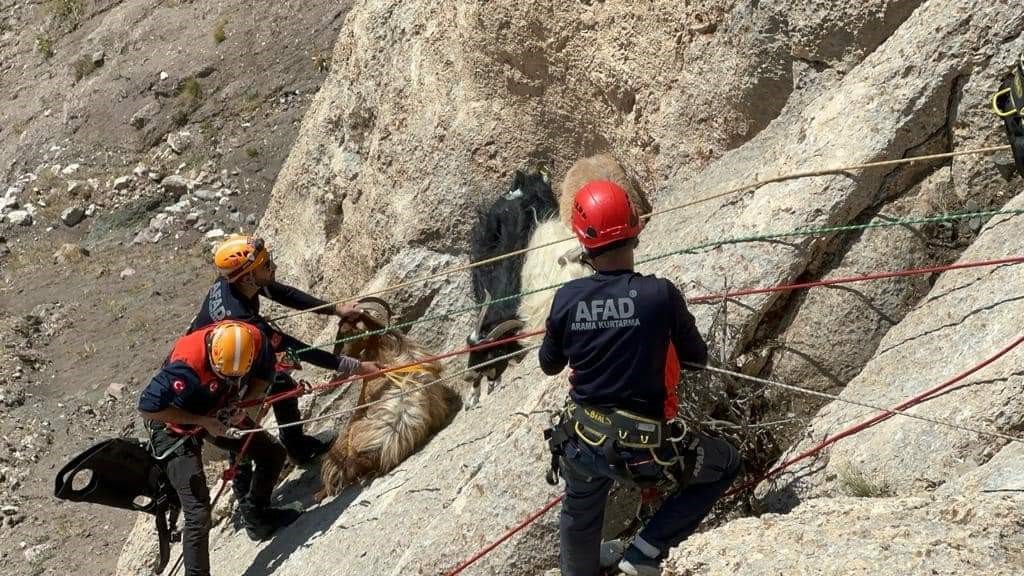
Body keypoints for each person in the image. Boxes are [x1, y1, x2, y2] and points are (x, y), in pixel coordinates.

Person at [539, 180, 741, 576]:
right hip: (647, 450)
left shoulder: (567, 298)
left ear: (581, 238)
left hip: (583, 441)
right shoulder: (659, 295)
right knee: (725, 464)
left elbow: (549, 363)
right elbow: (696, 359)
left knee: (579, 510)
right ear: (635, 227)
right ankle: (645, 552)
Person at [189, 235, 380, 502]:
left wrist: (335, 309)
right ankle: (248, 500)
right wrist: (354, 366)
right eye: (266, 264)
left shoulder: (232, 282)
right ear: (248, 277)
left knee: (283, 385)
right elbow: (294, 347)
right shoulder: (242, 319)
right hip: (217, 383)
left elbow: (281, 293)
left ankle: (298, 448)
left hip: (226, 362)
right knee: (243, 427)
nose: (273, 266)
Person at [139, 321, 298, 576]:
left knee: (272, 453)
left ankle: (258, 516)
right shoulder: (186, 363)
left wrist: (241, 405)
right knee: (198, 512)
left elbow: (264, 374)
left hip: (216, 409)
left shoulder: (253, 340)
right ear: (212, 353)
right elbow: (148, 408)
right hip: (172, 426)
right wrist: (202, 422)